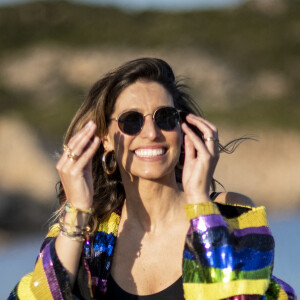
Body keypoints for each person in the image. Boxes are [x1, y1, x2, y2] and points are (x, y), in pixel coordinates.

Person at [8, 58, 296, 300]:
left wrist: (198, 203)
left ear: (182, 130)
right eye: (131, 120)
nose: (151, 132)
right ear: (105, 139)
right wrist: (78, 210)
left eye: (165, 117)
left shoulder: (230, 213)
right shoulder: (88, 234)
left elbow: (239, 295)